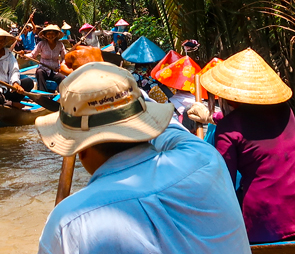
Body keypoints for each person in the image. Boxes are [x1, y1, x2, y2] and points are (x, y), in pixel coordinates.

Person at [33, 63, 248, 254]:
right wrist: (120, 94)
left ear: (80, 150)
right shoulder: (204, 158)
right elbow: (172, 131)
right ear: (147, 125)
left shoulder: (67, 222)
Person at [197, 48, 295, 245]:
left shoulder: (228, 128)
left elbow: (223, 182)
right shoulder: (287, 111)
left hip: (263, 224)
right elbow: (255, 127)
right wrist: (214, 118)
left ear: (228, 97)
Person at [28, 24, 67, 92]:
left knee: (62, 78)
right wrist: (22, 55)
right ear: (45, 35)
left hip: (54, 71)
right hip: (43, 69)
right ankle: (43, 94)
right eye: (48, 34)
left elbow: (64, 57)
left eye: (53, 33)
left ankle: (58, 93)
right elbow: (32, 55)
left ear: (56, 34)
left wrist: (61, 66)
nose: (50, 36)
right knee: (39, 72)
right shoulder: (41, 44)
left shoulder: (60, 45)